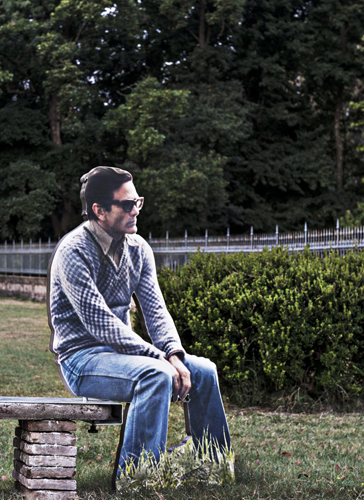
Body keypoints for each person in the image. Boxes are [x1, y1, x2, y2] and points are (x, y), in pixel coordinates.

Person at [48, 166, 230, 474]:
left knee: (204, 371)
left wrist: (174, 354)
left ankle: (211, 465)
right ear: (99, 210)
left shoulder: (139, 249)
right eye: (127, 204)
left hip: (122, 357)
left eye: (138, 202)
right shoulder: (73, 250)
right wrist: (160, 359)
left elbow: (156, 311)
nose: (135, 211)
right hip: (81, 360)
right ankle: (139, 476)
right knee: (155, 375)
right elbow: (101, 323)